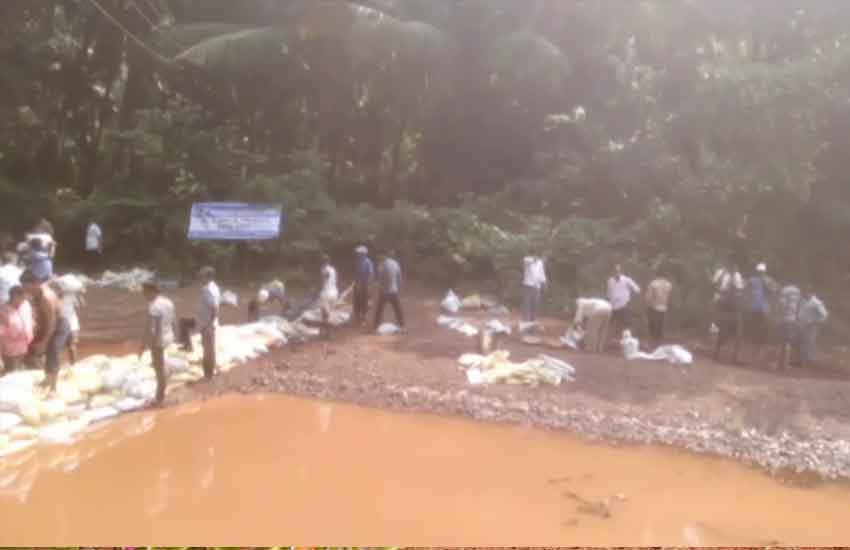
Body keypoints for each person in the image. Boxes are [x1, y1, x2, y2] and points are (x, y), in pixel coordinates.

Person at [21, 270, 68, 393]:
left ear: (35, 283)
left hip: (59, 325)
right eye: (23, 286)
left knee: (53, 351)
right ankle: (47, 379)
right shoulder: (36, 292)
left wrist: (44, 342)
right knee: (38, 350)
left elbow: (52, 323)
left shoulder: (46, 298)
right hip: (47, 324)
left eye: (26, 286)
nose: (25, 289)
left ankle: (53, 387)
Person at [139, 281, 176, 406]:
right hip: (169, 336)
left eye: (145, 292)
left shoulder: (154, 306)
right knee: (159, 365)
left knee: (158, 368)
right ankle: (166, 375)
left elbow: (152, 328)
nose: (143, 295)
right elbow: (173, 320)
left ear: (151, 291)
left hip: (158, 339)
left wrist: (143, 345)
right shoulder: (168, 302)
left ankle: (159, 398)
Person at [0, 286, 34, 373]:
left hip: (25, 347)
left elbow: (31, 318)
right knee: (11, 374)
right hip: (11, 352)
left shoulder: (25, 305)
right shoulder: (3, 312)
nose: (24, 300)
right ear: (15, 296)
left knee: (22, 371)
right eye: (22, 298)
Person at [52, 277, 85, 366]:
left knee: (72, 346)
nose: (59, 289)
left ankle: (73, 366)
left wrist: (80, 294)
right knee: (58, 347)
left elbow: (82, 305)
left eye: (59, 288)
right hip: (60, 325)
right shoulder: (54, 297)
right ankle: (58, 366)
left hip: (72, 324)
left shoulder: (70, 295)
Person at [743, 263, 771, 364]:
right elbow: (745, 287)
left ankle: (759, 350)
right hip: (756, 308)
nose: (760, 273)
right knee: (755, 329)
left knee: (762, 330)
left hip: (762, 308)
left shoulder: (766, 280)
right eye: (760, 272)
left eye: (761, 272)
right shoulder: (753, 280)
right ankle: (754, 350)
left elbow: (774, 289)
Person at [374, 250, 406, 333]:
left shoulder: (382, 265)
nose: (378, 257)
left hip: (385, 290)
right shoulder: (395, 263)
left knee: (379, 309)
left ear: (383, 256)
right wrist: (399, 287)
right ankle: (402, 326)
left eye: (379, 256)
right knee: (397, 308)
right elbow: (399, 277)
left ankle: (375, 326)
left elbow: (383, 278)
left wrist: (380, 288)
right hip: (393, 290)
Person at [607, 264, 640, 343]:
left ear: (621, 271)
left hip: (624, 305)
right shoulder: (610, 281)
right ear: (612, 272)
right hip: (614, 306)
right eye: (615, 271)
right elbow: (608, 293)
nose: (617, 272)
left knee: (626, 324)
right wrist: (609, 302)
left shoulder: (627, 280)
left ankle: (628, 341)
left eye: (618, 271)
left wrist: (629, 299)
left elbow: (637, 289)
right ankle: (611, 341)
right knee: (612, 324)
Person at [796, 287, 828, 369]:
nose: (806, 293)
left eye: (807, 292)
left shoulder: (816, 302)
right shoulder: (802, 300)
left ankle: (810, 360)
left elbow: (824, 315)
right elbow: (800, 311)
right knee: (802, 342)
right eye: (805, 292)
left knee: (810, 342)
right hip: (802, 324)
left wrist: (815, 322)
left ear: (811, 292)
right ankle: (802, 360)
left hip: (811, 325)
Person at [198, 266, 220, 379]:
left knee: (207, 350)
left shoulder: (207, 289)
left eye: (202, 276)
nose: (200, 278)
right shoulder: (214, 287)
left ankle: (208, 375)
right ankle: (210, 373)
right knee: (209, 349)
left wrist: (209, 325)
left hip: (207, 325)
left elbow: (215, 307)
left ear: (208, 276)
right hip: (209, 324)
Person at [644, 269, 673, 348]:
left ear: (657, 275)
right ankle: (659, 345)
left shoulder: (653, 283)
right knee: (661, 327)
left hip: (654, 307)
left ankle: (653, 345)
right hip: (664, 307)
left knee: (653, 327)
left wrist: (647, 305)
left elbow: (648, 297)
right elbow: (669, 296)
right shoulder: (668, 284)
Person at [776, 282, 801, 370]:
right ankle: (785, 364)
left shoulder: (785, 290)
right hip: (792, 319)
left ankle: (780, 364)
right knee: (788, 342)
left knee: (781, 342)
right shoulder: (797, 291)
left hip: (784, 319)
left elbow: (781, 305)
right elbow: (798, 307)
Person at [521, 253, 547, 322]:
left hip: (537, 286)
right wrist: (538, 258)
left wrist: (544, 283)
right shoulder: (527, 259)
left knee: (535, 304)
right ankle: (525, 321)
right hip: (528, 285)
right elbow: (529, 261)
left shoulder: (540, 263)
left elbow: (542, 273)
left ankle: (533, 321)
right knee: (527, 304)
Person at [318, 254, 339, 340]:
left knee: (325, 314)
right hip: (334, 292)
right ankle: (326, 332)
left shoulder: (323, 270)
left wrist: (317, 289)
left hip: (326, 293)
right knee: (331, 313)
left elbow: (323, 280)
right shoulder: (333, 269)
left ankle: (327, 333)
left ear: (322, 262)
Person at [353, 245, 374, 326]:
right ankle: (358, 318)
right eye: (358, 253)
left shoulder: (368, 262)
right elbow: (356, 274)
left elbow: (371, 274)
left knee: (364, 302)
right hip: (358, 284)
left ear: (364, 254)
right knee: (356, 301)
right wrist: (356, 283)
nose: (358, 254)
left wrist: (368, 285)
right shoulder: (357, 261)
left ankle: (363, 319)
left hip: (365, 285)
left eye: (359, 253)